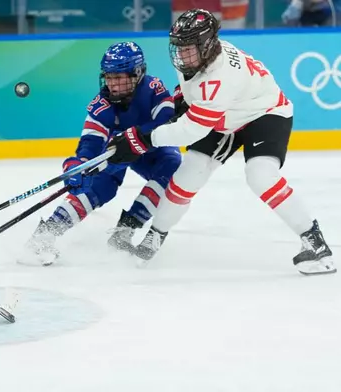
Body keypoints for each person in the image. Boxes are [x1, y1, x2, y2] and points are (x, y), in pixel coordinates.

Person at [106, 9, 335, 275]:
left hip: (265, 113)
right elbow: (193, 93)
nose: (181, 54)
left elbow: (190, 130)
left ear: (207, 44)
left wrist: (142, 140)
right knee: (187, 176)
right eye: (178, 47)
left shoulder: (220, 77)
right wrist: (180, 101)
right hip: (226, 116)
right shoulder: (198, 58)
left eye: (188, 48)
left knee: (260, 175)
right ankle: (155, 236)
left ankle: (315, 242)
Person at [24, 41, 182, 266]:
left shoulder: (153, 88)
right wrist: (79, 165)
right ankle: (45, 234)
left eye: (119, 78)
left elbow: (165, 121)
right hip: (117, 150)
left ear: (137, 73)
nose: (113, 85)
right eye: (109, 77)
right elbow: (90, 142)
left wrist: (137, 136)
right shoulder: (102, 105)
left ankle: (125, 231)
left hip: (151, 147)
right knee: (99, 186)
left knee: (173, 166)